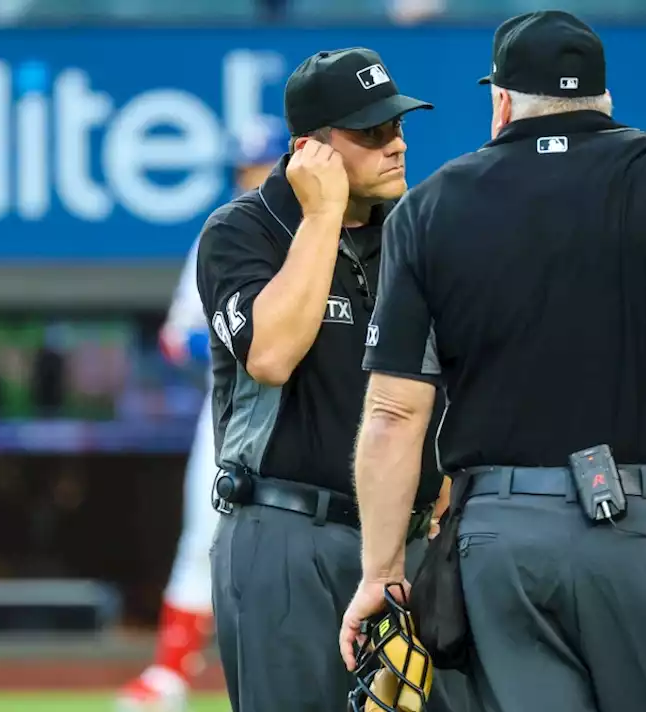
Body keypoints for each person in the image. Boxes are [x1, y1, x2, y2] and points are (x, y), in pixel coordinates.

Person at [340, 10, 646, 712]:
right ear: (604, 97)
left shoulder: (427, 208)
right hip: (645, 531)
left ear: (500, 99)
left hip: (500, 543)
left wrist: (380, 570)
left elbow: (392, 411)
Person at [195, 48, 464, 712]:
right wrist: (320, 217)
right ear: (308, 150)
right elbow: (271, 354)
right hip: (287, 534)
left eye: (397, 127)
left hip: (405, 548)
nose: (395, 145)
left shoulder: (415, 232)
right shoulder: (243, 230)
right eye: (371, 133)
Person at [116, 117, 288, 712]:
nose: (256, 177)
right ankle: (169, 676)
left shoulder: (323, 229)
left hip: (308, 411)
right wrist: (232, 337)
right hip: (233, 412)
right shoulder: (223, 232)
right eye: (246, 168)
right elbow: (173, 337)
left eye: (265, 164)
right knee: (203, 540)